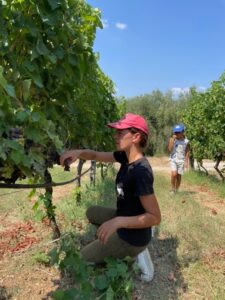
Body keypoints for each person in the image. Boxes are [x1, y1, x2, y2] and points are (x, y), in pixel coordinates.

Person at [60, 113, 161, 282]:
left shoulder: (141, 172)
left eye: (120, 132)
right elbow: (95, 156)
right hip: (125, 217)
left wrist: (118, 222)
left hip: (132, 237)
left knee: (79, 260)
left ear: (136, 137)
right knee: (91, 212)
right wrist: (78, 152)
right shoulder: (125, 157)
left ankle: (138, 252)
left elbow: (155, 217)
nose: (116, 136)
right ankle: (124, 242)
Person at [167, 124, 190, 194]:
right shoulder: (172, 140)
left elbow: (187, 152)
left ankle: (176, 189)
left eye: (178, 132)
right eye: (175, 132)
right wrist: (172, 141)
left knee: (179, 176)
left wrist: (186, 162)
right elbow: (169, 149)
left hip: (181, 160)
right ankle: (173, 189)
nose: (176, 134)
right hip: (173, 159)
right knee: (174, 174)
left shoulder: (186, 141)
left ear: (183, 132)